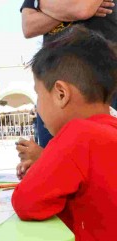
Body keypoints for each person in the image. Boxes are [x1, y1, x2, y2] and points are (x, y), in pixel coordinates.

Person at [12, 26, 117, 241]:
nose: (37, 107)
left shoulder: (78, 133)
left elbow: (25, 203)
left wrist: (38, 172)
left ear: (61, 94)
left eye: (38, 95)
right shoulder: (109, 130)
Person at [17, 0, 117, 163]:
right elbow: (29, 26)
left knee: (102, 151)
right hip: (54, 76)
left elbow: (83, 9)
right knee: (53, 150)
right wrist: (73, 10)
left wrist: (43, 7)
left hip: (101, 75)